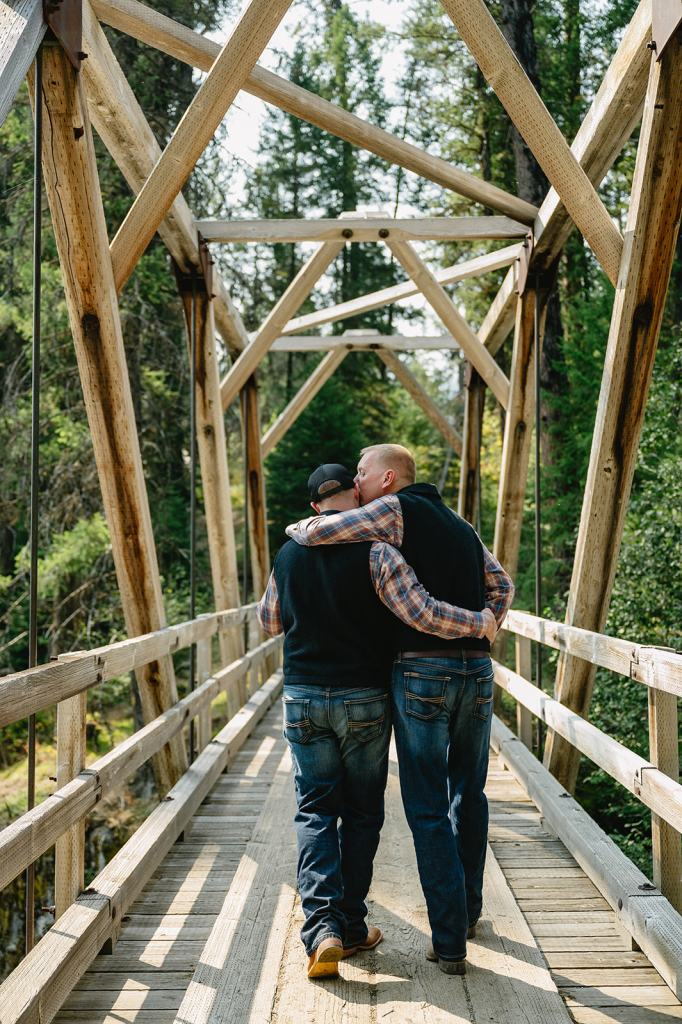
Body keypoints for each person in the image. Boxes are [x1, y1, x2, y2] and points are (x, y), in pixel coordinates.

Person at [258, 463, 499, 980]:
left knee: (315, 808)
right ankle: (360, 922)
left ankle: (324, 928)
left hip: (303, 694)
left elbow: (269, 621)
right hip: (368, 696)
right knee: (366, 813)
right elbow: (415, 610)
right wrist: (482, 623)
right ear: (357, 494)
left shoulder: (288, 553)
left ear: (314, 508)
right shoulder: (382, 552)